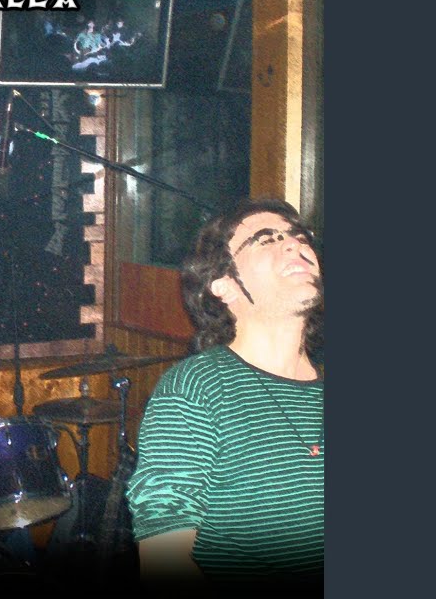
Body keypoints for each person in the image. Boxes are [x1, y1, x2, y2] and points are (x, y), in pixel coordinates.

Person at [125, 198, 324, 595]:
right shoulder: (197, 387)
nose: (293, 244)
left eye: (299, 236)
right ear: (224, 286)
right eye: (266, 239)